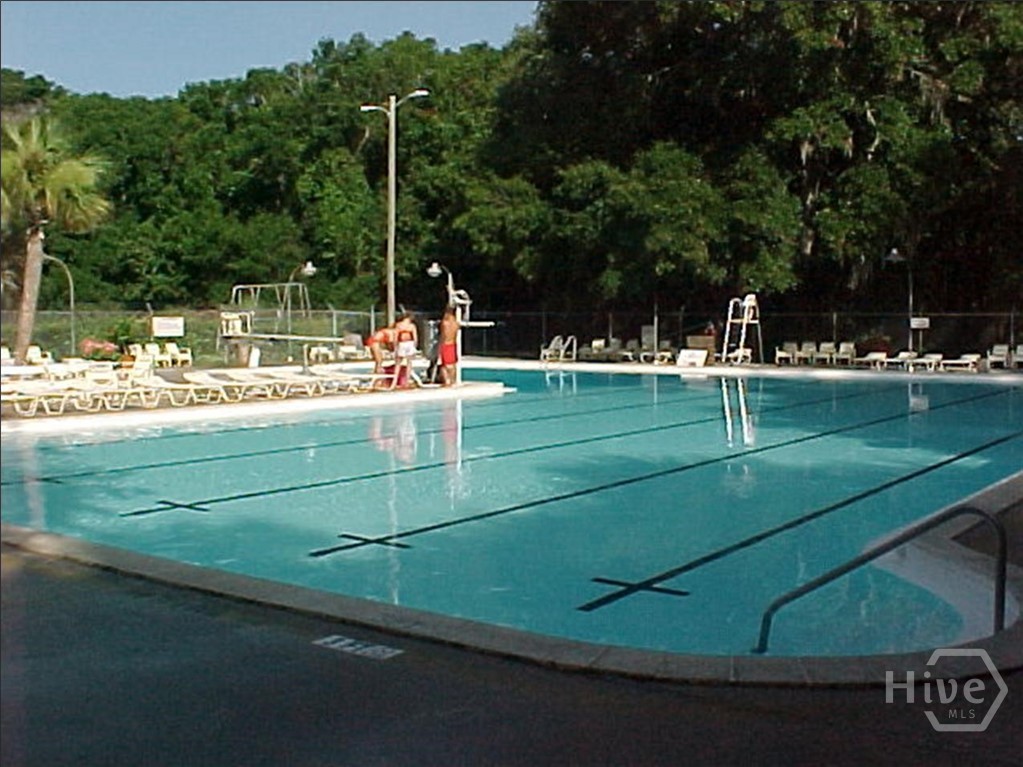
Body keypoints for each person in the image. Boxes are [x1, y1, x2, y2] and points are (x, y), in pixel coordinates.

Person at [391, 311, 419, 389]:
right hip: (409, 343)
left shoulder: (399, 325)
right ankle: (406, 381)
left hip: (402, 344)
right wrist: (415, 347)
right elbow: (415, 338)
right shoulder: (411, 326)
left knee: (398, 363)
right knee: (409, 363)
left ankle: (395, 381)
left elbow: (395, 337)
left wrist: (395, 347)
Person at [438, 306, 459, 386]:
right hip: (453, 344)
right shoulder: (456, 323)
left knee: (446, 365)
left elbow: (443, 334)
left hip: (446, 344)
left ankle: (448, 381)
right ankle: (451, 380)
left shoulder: (445, 323)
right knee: (451, 364)